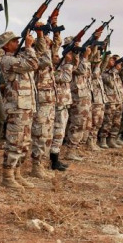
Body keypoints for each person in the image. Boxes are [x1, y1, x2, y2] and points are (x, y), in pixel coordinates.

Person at [0, 31, 39, 190]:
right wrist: (28, 47)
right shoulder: (7, 60)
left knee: (24, 142)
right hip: (16, 107)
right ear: (6, 45)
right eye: (14, 41)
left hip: (26, 106)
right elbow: (33, 64)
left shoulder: (19, 58)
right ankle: (7, 176)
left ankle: (17, 173)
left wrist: (38, 39)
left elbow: (37, 60)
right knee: (14, 142)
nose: (17, 43)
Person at [29, 21, 59, 178]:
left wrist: (55, 27)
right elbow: (46, 60)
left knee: (47, 134)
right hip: (40, 98)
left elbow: (56, 46)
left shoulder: (45, 52)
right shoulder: (34, 54)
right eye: (46, 43)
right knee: (40, 133)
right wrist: (40, 35)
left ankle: (41, 163)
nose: (50, 45)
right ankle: (36, 166)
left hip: (49, 99)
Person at [64, 40, 93, 160]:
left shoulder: (78, 59)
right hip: (77, 96)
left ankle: (76, 148)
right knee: (77, 123)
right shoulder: (69, 60)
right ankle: (70, 151)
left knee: (84, 124)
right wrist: (84, 57)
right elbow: (80, 70)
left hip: (84, 95)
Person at [50, 32, 73, 171]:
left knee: (60, 132)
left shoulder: (61, 67)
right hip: (58, 104)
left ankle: (56, 159)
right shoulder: (53, 71)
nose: (58, 58)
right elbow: (65, 78)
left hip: (63, 104)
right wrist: (68, 64)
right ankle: (54, 162)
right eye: (55, 56)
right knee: (57, 132)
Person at [100, 55, 123, 148]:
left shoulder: (116, 74)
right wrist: (114, 68)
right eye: (112, 60)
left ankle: (112, 139)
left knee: (117, 122)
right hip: (111, 102)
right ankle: (103, 139)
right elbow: (109, 80)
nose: (114, 62)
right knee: (108, 121)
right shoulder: (104, 73)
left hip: (119, 100)